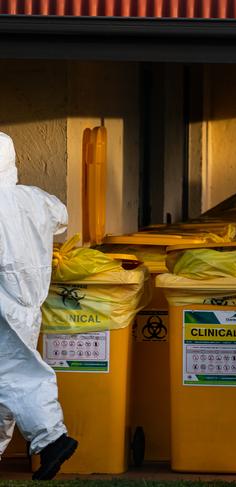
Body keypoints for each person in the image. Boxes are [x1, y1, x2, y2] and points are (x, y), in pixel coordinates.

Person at [0, 132, 78, 480]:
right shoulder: (35, 200)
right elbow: (61, 218)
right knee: (7, 383)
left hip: (2, 305)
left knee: (17, 376)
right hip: (30, 306)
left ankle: (52, 439)